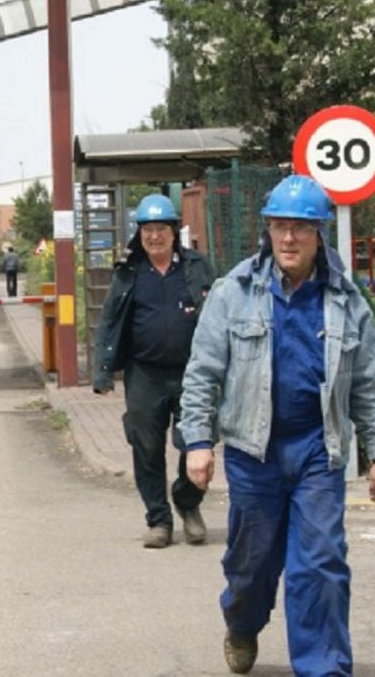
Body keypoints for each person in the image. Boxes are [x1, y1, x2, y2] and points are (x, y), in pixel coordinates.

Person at [179, 174, 375, 675]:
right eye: (280, 226)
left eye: (300, 227)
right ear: (267, 231)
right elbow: (202, 373)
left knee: (319, 566)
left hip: (318, 450)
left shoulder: (345, 301)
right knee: (251, 568)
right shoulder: (234, 292)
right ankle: (242, 624)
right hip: (253, 454)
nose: (289, 238)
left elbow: (365, 384)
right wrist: (197, 441)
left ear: (320, 232)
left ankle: (322, 668)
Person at [92, 194, 217, 549]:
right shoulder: (129, 272)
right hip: (144, 374)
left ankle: (187, 502)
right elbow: (110, 321)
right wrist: (102, 373)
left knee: (195, 441)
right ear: (140, 233)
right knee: (146, 447)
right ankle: (159, 520)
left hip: (193, 373)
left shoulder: (197, 267)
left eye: (161, 228)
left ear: (174, 231)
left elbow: (221, 314)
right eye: (148, 229)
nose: (154, 236)